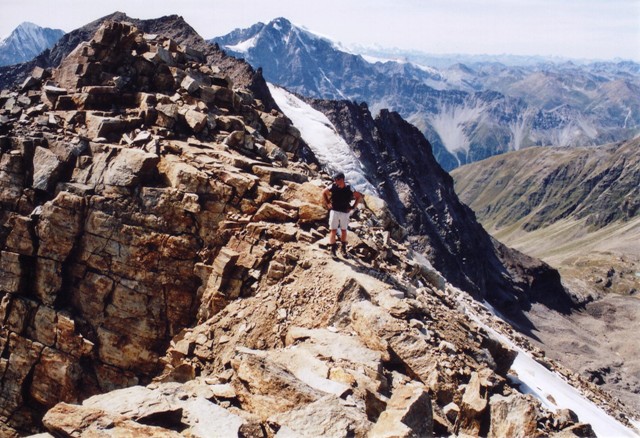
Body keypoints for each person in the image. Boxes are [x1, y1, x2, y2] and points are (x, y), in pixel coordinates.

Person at [322, 172, 362, 257]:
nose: (336, 181)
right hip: (335, 210)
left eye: (337, 180)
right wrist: (328, 203)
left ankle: (343, 248)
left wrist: (353, 207)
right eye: (335, 180)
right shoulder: (333, 186)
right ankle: (333, 250)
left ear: (342, 179)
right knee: (333, 230)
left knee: (344, 230)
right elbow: (323, 192)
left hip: (344, 212)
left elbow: (358, 196)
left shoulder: (349, 187)